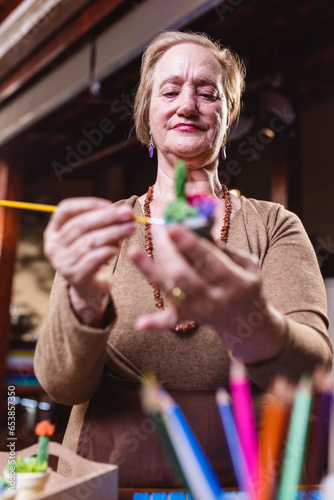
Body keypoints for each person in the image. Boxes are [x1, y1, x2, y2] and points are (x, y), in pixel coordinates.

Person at [34, 31, 332, 488]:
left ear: (228, 116)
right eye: (170, 91)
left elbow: (316, 372)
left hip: (244, 479)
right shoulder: (103, 231)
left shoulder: (275, 226)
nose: (187, 105)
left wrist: (249, 321)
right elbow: (62, 387)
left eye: (207, 93)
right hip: (105, 477)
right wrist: (84, 303)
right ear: (147, 117)